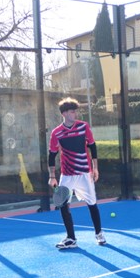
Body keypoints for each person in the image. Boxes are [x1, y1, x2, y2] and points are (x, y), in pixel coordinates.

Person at [48, 97, 106, 249]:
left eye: (75, 111)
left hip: (84, 174)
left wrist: (95, 168)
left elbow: (92, 146)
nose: (76, 114)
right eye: (73, 112)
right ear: (64, 113)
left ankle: (99, 233)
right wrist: (52, 176)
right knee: (63, 204)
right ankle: (71, 238)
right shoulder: (56, 133)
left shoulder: (83, 127)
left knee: (92, 203)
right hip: (67, 175)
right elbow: (52, 155)